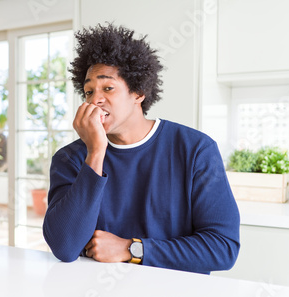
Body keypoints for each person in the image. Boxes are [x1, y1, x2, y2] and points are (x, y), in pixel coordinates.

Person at [42, 23, 240, 274]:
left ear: (138, 92)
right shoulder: (71, 158)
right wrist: (95, 153)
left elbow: (222, 248)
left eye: (107, 88)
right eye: (88, 91)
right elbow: (65, 247)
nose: (94, 100)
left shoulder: (195, 150)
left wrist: (131, 248)